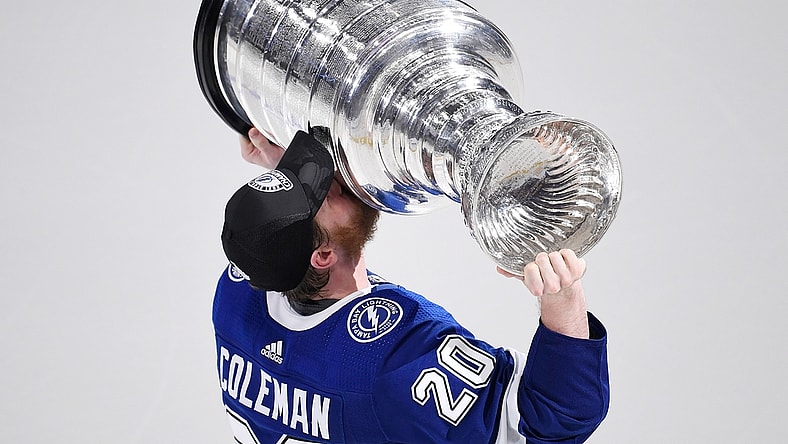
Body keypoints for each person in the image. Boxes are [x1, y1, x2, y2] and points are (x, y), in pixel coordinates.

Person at [213, 128, 609, 444]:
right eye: (324, 193)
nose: (336, 179)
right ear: (322, 256)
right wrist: (562, 298)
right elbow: (553, 424)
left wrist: (286, 187)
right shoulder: (394, 357)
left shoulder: (236, 297)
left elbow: (268, 243)